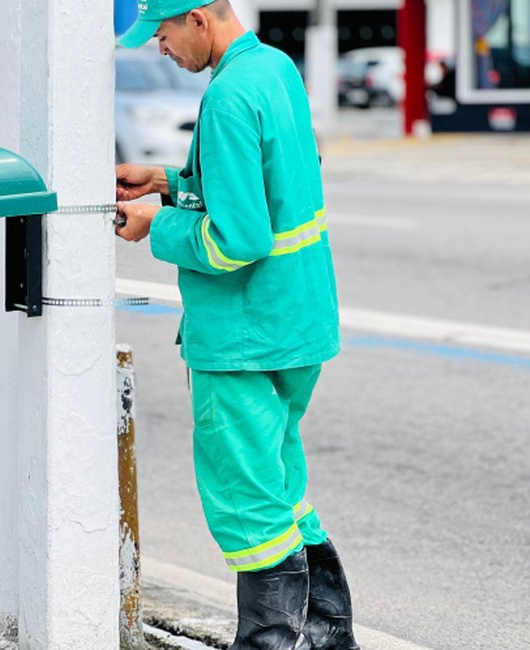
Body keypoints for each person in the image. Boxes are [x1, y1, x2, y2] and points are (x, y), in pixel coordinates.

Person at [114, 2, 357, 649]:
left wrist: (153, 225)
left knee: (250, 511)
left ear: (197, 19)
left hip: (245, 338)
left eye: (162, 35)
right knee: (283, 494)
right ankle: (332, 640)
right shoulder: (274, 69)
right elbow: (264, 185)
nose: (159, 49)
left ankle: (272, 641)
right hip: (297, 324)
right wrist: (168, 180)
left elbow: (239, 237)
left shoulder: (225, 98)